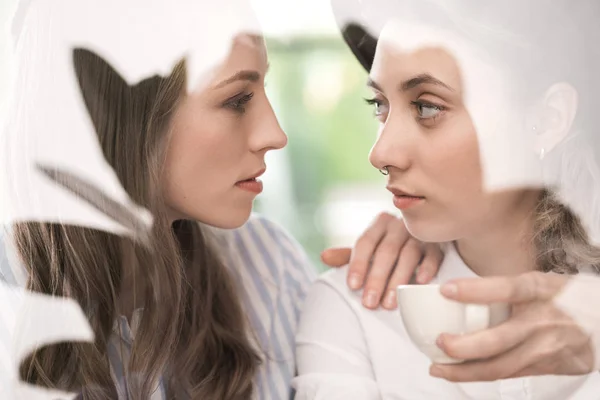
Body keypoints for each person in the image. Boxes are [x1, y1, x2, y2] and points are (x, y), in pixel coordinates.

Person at [0, 1, 443, 399]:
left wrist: (435, 246)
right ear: (116, 112)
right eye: (236, 100)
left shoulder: (267, 266)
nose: (275, 134)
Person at [294, 0, 600, 398]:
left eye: (426, 107)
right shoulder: (354, 308)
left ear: (547, 119)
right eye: (380, 106)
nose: (381, 154)